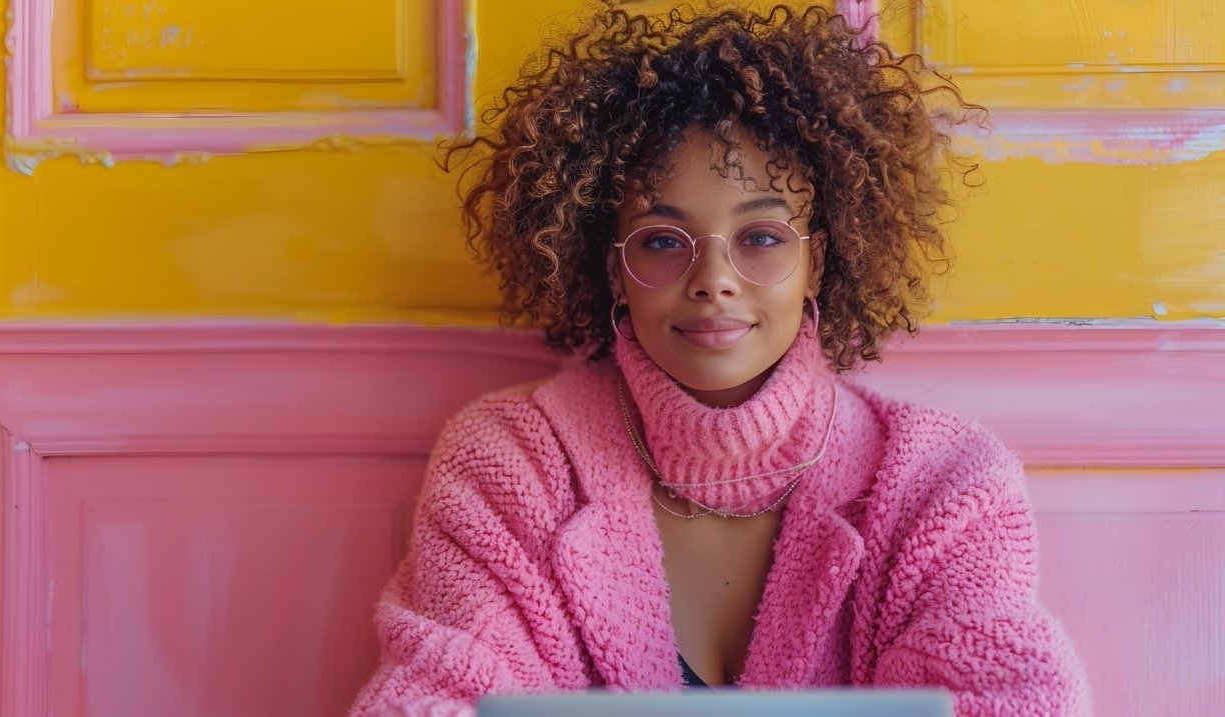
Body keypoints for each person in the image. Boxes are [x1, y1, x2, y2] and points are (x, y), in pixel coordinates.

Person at [348, 4, 1090, 716]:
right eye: (663, 241)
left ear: (818, 261)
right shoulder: (510, 463)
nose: (713, 279)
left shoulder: (942, 481)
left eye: (762, 237)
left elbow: (1013, 700)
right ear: (614, 269)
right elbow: (428, 698)